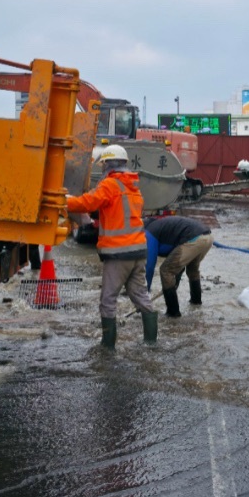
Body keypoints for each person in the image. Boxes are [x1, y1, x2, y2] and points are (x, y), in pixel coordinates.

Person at [66, 144, 158, 348]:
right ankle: (151, 342)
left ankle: (107, 347)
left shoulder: (110, 185)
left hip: (118, 254)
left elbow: (89, 203)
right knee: (140, 296)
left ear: (108, 164)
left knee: (108, 301)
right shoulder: (133, 187)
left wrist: (65, 202)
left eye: (104, 164)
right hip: (139, 251)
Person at [144, 215, 213, 318]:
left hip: (194, 239)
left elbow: (150, 266)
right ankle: (196, 303)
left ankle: (173, 313)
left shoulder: (149, 233)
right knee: (192, 270)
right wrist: (176, 281)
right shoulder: (162, 228)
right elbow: (178, 257)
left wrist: (145, 293)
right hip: (208, 237)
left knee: (165, 270)